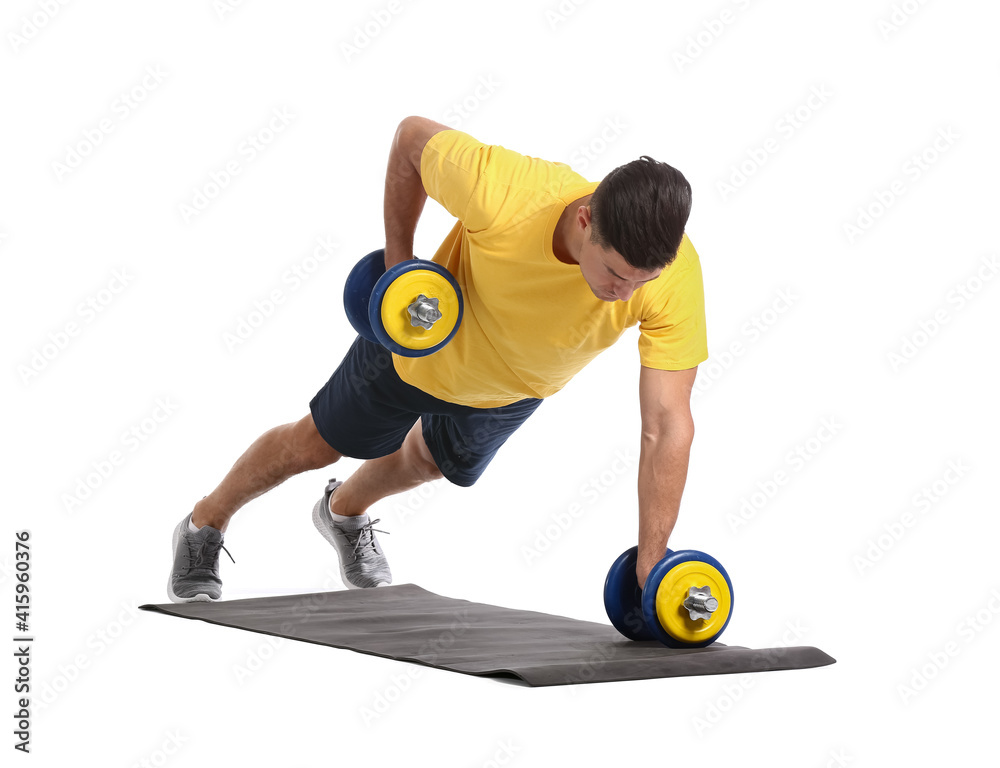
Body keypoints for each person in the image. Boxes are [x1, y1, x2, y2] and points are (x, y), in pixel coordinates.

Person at [167, 115, 707, 603]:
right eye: (615, 273)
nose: (626, 292)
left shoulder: (674, 274)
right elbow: (409, 140)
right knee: (313, 446)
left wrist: (653, 557)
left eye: (645, 279)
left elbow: (665, 422)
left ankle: (342, 514)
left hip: (514, 391)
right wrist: (399, 270)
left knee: (430, 462)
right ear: (587, 220)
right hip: (423, 355)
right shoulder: (507, 191)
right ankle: (204, 524)